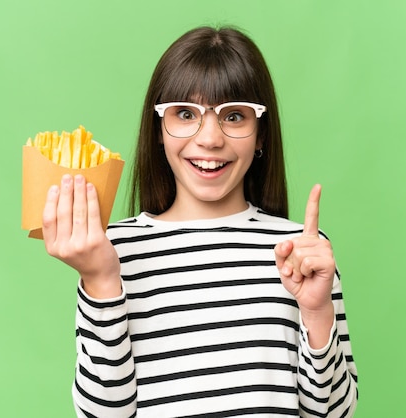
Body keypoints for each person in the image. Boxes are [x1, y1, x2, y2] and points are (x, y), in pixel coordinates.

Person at [42, 26, 358, 417]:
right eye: (186, 113)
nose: (209, 138)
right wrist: (102, 281)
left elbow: (333, 414)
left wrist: (315, 313)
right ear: (159, 128)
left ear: (261, 135)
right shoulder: (113, 251)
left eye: (235, 115)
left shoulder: (301, 251)